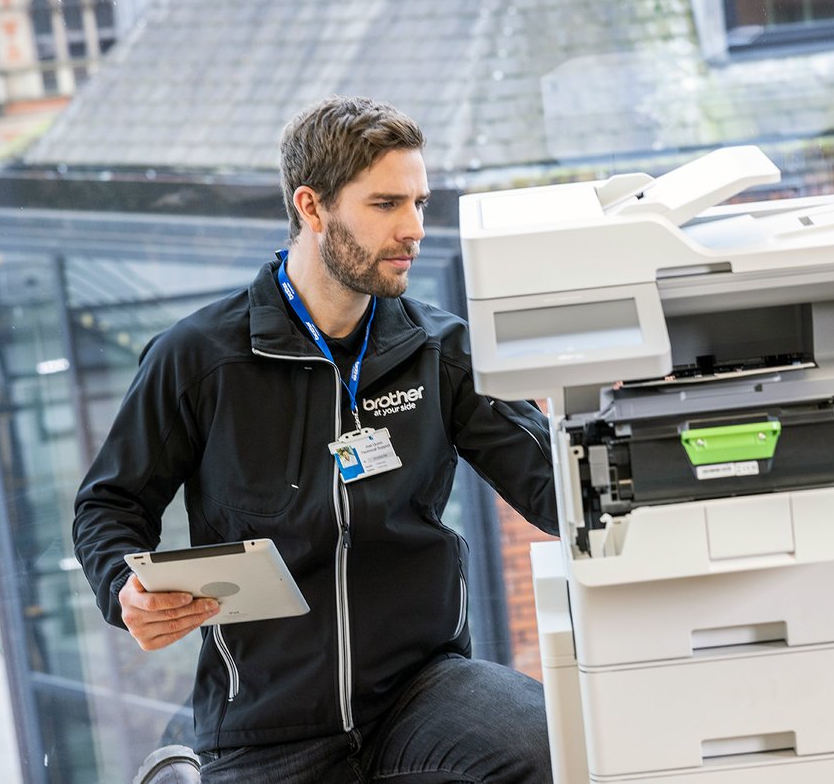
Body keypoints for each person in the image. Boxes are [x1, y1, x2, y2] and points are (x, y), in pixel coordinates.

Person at [72, 95, 559, 783]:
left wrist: (617, 432)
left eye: (419, 202)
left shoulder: (438, 350)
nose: (414, 228)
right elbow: (107, 504)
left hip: (419, 689)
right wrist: (124, 583)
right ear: (312, 206)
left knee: (546, 745)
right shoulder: (199, 357)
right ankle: (182, 760)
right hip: (263, 719)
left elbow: (554, 485)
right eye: (387, 204)